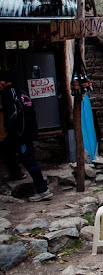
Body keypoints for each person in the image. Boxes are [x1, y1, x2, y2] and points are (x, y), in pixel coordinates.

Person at [0, 70, 52, 201]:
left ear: (8, 82)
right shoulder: (22, 93)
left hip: (21, 134)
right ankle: (15, 173)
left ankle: (43, 190)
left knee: (29, 160)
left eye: (1, 81)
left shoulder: (8, 94)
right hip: (27, 132)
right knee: (5, 148)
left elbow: (13, 115)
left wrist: (10, 128)